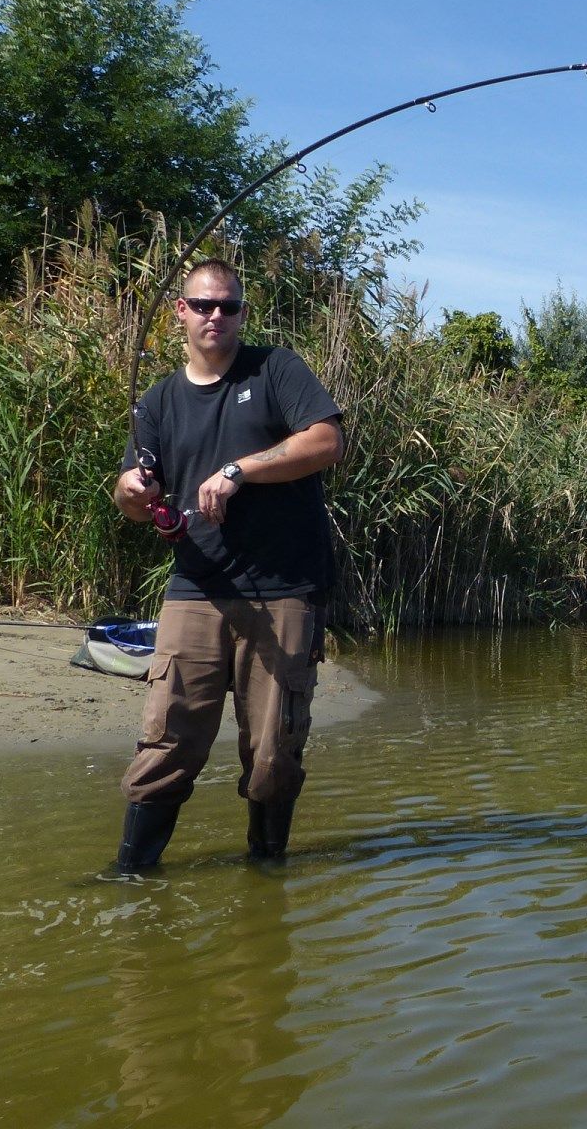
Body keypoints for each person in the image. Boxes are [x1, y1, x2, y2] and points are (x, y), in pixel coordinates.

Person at [108, 257, 345, 873]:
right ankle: (132, 873)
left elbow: (325, 441)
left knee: (272, 751)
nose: (217, 315)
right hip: (195, 589)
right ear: (180, 312)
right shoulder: (158, 399)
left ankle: (265, 874)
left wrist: (240, 470)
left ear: (241, 312)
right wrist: (132, 493)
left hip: (283, 589)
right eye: (204, 305)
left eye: (229, 306)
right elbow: (134, 495)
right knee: (167, 740)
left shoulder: (275, 370)